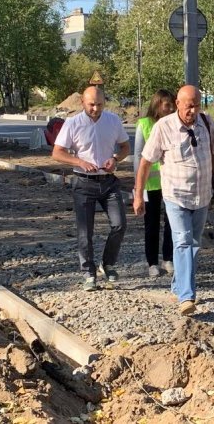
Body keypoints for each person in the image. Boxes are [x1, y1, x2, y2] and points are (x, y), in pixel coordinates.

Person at [133, 85, 214, 316]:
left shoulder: (206, 123)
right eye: (188, 106)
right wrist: (138, 194)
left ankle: (178, 284)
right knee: (183, 242)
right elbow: (145, 162)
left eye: (196, 105)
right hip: (176, 196)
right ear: (178, 103)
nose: (193, 111)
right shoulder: (163, 127)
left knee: (194, 243)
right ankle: (187, 296)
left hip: (202, 195)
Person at [52, 86, 131, 292]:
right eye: (91, 105)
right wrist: (79, 161)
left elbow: (125, 147)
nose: (96, 108)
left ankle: (108, 263)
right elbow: (57, 153)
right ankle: (88, 272)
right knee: (85, 231)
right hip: (83, 182)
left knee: (120, 224)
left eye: (100, 104)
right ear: (82, 103)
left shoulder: (113, 121)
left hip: (109, 180)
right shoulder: (72, 123)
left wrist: (115, 159)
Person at [134, 89, 176, 277]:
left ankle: (168, 258)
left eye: (172, 105)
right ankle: (152, 262)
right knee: (151, 224)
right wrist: (138, 187)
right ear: (157, 105)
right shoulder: (144, 124)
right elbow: (138, 156)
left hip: (171, 182)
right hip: (150, 185)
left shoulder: (175, 124)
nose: (170, 108)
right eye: (167, 105)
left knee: (171, 222)